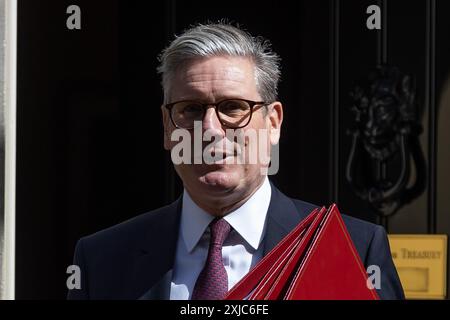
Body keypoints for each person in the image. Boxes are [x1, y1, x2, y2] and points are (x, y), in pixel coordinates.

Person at [67, 22, 404, 300]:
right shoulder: (102, 260)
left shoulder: (353, 249)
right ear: (168, 127)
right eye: (191, 109)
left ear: (272, 123)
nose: (211, 129)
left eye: (232, 108)